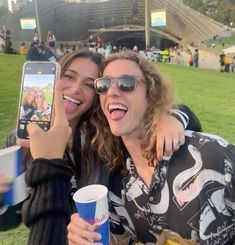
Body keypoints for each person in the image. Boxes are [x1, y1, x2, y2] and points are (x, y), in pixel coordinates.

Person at [0, 50, 200, 242]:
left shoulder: (105, 136)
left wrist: (170, 117)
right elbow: (11, 216)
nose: (76, 88)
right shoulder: (22, 140)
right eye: (69, 77)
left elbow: (187, 120)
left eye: (88, 84)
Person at [68, 51, 235, 244]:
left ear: (151, 94)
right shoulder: (117, 185)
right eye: (104, 85)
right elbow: (120, 238)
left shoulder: (212, 156)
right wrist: (83, 233)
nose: (112, 92)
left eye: (126, 83)